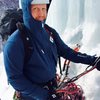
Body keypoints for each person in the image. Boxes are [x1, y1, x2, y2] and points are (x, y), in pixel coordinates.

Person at [3, 0, 100, 100]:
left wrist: (93, 60)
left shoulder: (49, 32)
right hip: (31, 97)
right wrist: (43, 95)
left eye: (43, 9)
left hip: (52, 89)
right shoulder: (15, 43)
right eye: (36, 9)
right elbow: (15, 78)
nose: (41, 14)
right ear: (27, 10)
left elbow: (67, 52)